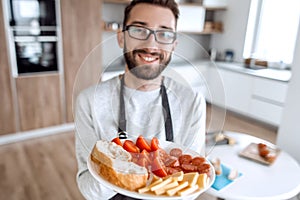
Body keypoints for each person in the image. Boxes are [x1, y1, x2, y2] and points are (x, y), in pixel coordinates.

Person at [74, 0, 206, 199]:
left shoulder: (193, 102)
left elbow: (188, 186)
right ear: (121, 38)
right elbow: (89, 189)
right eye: (139, 29)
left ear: (174, 45)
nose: (151, 45)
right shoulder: (89, 101)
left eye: (164, 33)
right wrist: (122, 165)